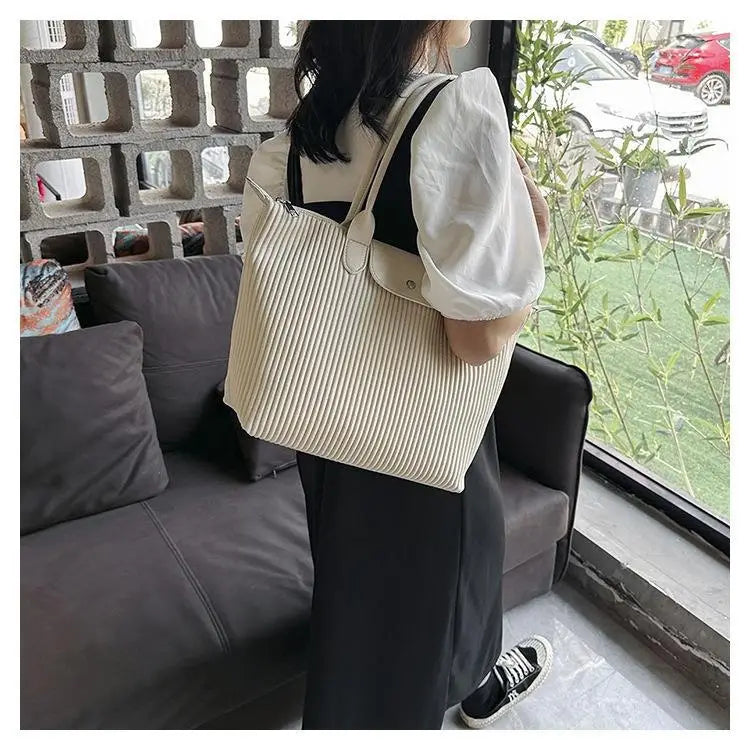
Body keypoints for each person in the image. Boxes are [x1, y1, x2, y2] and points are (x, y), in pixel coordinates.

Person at [240, 20, 552, 730]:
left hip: (328, 417)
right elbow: (476, 340)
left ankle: (459, 687)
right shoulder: (455, 112)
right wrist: (530, 253)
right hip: (424, 429)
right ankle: (463, 689)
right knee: (433, 608)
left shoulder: (308, 131)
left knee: (357, 595)